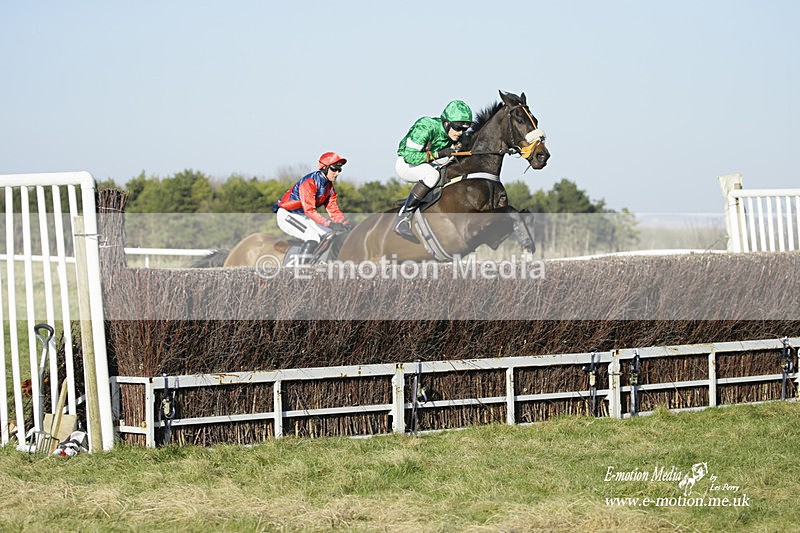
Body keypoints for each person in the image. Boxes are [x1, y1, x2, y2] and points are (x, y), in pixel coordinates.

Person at [393, 100, 473, 242]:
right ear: (447, 123)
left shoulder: (456, 134)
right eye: (458, 128)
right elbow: (410, 157)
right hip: (406, 164)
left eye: (464, 129)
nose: (460, 133)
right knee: (432, 175)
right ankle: (403, 218)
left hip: (427, 164)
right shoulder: (425, 126)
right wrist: (440, 154)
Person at [272, 151, 349, 263]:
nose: (337, 173)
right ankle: (301, 271)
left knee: (329, 236)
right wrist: (329, 224)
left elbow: (333, 209)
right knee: (313, 238)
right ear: (324, 168)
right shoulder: (309, 182)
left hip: (302, 216)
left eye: (339, 170)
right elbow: (309, 210)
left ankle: (317, 263)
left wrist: (344, 224)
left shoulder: (329, 188)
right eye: (334, 169)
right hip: (288, 214)